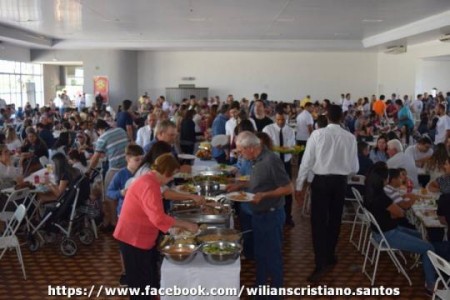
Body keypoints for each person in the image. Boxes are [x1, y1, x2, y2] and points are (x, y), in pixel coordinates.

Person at [113, 153, 198, 299]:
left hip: (140, 238)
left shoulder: (151, 179)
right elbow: (158, 218)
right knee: (140, 286)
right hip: (133, 239)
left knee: (149, 280)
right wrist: (185, 224)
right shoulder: (149, 185)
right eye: (171, 176)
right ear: (166, 172)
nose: (171, 179)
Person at [295, 104, 358, 283]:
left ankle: (320, 262)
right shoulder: (350, 137)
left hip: (321, 182)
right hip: (340, 182)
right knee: (335, 219)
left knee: (319, 222)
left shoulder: (317, 134)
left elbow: (306, 163)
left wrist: (299, 186)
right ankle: (330, 254)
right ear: (342, 118)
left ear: (327, 117)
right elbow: (354, 168)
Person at [227, 131, 292, 292]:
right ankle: (260, 290)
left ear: (250, 148)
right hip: (257, 214)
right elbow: (258, 181)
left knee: (273, 257)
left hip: (271, 215)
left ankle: (276, 292)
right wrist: (239, 186)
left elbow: (288, 188)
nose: (240, 155)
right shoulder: (255, 160)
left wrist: (265, 195)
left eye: (241, 151)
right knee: (260, 256)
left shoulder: (271, 160)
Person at [364, 162, 436, 295]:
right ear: (382, 180)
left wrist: (393, 213)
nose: (388, 179)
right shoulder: (382, 197)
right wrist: (396, 211)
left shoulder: (369, 194)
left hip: (378, 232)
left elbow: (393, 213)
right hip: (388, 235)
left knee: (420, 236)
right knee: (429, 247)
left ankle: (427, 266)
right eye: (386, 177)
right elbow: (401, 213)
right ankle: (430, 285)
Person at [106, 144, 144, 286]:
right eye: (137, 160)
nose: (140, 163)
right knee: (125, 247)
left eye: (142, 160)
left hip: (142, 215)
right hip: (125, 215)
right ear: (128, 158)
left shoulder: (144, 173)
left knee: (141, 245)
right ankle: (126, 272)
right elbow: (109, 192)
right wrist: (121, 193)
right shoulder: (121, 174)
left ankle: (140, 270)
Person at [87, 119, 129, 231]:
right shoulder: (121, 130)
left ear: (99, 130)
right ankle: (120, 221)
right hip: (128, 168)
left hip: (115, 168)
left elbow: (95, 158)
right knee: (123, 197)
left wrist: (88, 172)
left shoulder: (103, 137)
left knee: (108, 196)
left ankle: (113, 223)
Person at [263, 110, 296, 227]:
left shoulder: (290, 130)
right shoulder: (268, 129)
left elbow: (292, 146)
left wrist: (288, 149)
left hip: (285, 163)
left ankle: (288, 217)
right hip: (273, 163)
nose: (280, 122)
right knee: (272, 188)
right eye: (278, 119)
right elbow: (265, 147)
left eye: (283, 120)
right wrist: (277, 148)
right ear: (275, 119)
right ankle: (271, 215)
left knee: (288, 190)